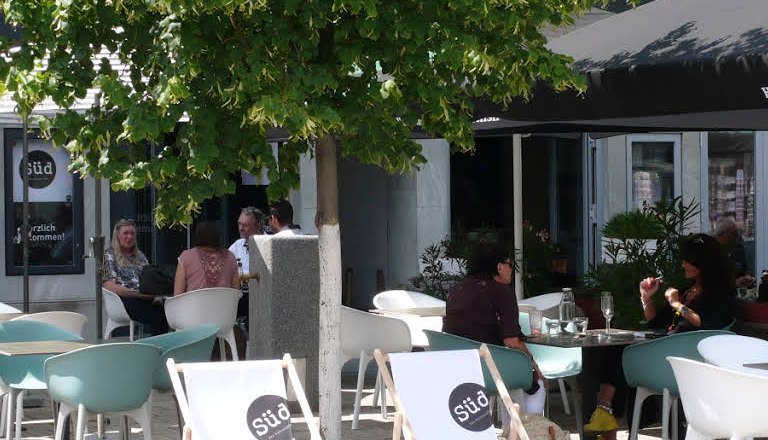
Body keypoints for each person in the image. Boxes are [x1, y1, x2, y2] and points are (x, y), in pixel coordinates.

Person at [585, 233, 736, 438]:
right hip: (665, 355)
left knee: (620, 354)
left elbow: (706, 322)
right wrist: (645, 297)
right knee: (615, 348)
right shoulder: (688, 290)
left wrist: (677, 304)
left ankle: (604, 415)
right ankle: (604, 412)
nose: (682, 264)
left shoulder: (720, 294)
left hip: (685, 362)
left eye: (687, 260)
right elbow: (656, 321)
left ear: (702, 263)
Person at [443, 243, 546, 420]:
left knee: (519, 378)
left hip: (458, 368)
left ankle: (512, 431)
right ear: (499, 267)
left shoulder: (456, 290)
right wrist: (534, 364)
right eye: (509, 264)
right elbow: (511, 342)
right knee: (537, 383)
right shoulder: (501, 292)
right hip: (492, 370)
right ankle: (525, 432)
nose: (511, 269)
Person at [103, 218, 168, 335]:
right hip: (123, 300)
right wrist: (137, 294)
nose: (130, 237)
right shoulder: (109, 255)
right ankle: (158, 347)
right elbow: (109, 285)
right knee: (159, 314)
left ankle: (162, 345)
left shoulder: (140, 256)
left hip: (144, 297)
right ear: (117, 235)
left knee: (168, 308)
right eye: (126, 233)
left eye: (132, 233)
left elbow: (150, 280)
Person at [174, 221, 239, 294]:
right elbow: (236, 292)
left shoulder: (186, 257)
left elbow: (177, 295)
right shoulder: (230, 257)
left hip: (195, 305)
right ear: (218, 236)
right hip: (224, 305)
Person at [228, 207, 263, 327]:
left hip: (262, 296)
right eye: (239, 224)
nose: (241, 228)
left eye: (245, 225)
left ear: (257, 226)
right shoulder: (237, 246)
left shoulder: (268, 243)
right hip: (242, 297)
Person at [714, 216, 755, 287]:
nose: (737, 237)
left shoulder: (737, 248)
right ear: (722, 233)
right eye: (734, 233)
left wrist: (747, 277)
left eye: (737, 233)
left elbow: (743, 269)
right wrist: (734, 283)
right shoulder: (710, 251)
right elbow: (710, 282)